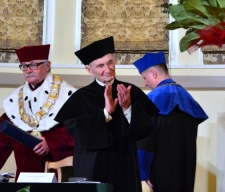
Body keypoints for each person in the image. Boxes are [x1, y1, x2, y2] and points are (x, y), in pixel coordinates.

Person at [54, 36, 158, 192]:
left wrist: (127, 108)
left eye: (110, 63)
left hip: (124, 164)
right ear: (89, 70)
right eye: (100, 66)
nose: (108, 69)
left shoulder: (131, 92)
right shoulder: (80, 98)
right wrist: (105, 113)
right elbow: (81, 134)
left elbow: (146, 130)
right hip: (92, 166)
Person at [0, 44, 75, 180]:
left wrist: (51, 142)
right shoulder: (15, 101)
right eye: (24, 66)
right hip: (25, 174)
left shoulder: (67, 95)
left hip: (56, 174)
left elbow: (78, 130)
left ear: (47, 65)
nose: (28, 70)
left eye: (33, 65)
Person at [133, 51, 208, 192]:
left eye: (144, 77)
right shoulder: (187, 98)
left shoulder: (153, 99)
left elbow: (145, 139)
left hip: (161, 171)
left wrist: (144, 171)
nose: (145, 83)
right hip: (185, 170)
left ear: (153, 73)